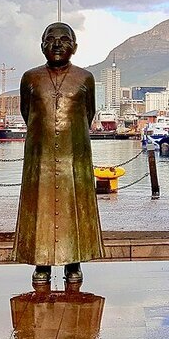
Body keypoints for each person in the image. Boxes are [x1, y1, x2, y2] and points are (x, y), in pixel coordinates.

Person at [14, 22, 104, 288]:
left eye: (64, 40)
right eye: (50, 40)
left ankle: (73, 261)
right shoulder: (30, 78)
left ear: (74, 47)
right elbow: (26, 112)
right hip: (39, 157)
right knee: (39, 204)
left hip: (73, 155)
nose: (57, 45)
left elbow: (88, 114)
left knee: (74, 205)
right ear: (41, 45)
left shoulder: (85, 78)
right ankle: (41, 263)